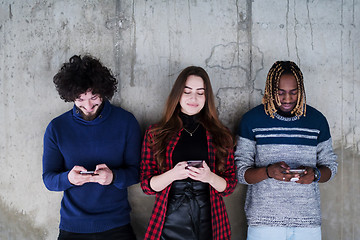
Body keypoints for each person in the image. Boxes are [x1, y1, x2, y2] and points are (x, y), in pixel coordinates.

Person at [235, 60, 338, 240]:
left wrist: (315, 175)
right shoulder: (251, 121)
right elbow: (241, 172)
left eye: (293, 92)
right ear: (269, 90)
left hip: (307, 222)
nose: (288, 99)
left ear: (301, 90)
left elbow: (331, 166)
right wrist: (268, 172)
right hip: (264, 223)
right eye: (280, 92)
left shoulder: (316, 120)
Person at [42, 55, 141, 240]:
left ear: (103, 92)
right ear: (70, 96)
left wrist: (113, 177)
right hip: (73, 227)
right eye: (80, 99)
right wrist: (69, 178)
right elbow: (48, 179)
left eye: (94, 97)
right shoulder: (57, 128)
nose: (88, 106)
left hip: (116, 226)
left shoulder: (126, 122)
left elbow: (137, 172)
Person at [140, 66, 237, 240]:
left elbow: (229, 186)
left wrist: (209, 177)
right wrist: (172, 174)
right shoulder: (155, 133)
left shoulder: (221, 134)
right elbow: (146, 186)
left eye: (200, 93)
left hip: (210, 221)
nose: (194, 98)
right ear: (178, 94)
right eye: (187, 91)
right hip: (168, 222)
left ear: (207, 97)